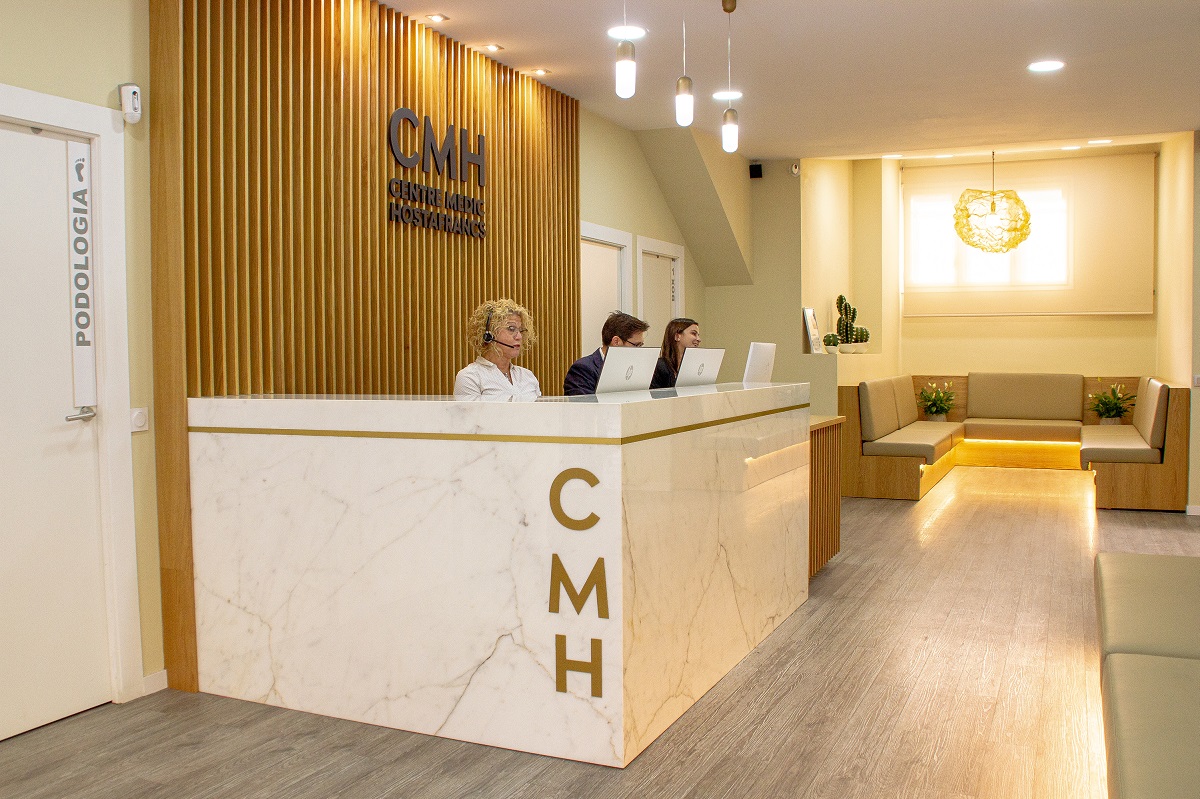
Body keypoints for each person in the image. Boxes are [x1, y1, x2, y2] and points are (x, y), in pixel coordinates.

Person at [453, 299, 542, 401]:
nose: (519, 336)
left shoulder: (528, 376)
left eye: (521, 330)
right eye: (511, 329)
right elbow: (469, 412)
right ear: (489, 334)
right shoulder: (470, 377)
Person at [563, 311, 650, 396]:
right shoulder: (583, 369)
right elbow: (584, 404)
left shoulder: (635, 369)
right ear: (616, 341)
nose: (639, 350)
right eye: (636, 345)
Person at [650, 318, 701, 389]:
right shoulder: (659, 366)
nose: (699, 339)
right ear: (677, 336)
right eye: (693, 333)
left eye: (698, 335)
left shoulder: (695, 365)